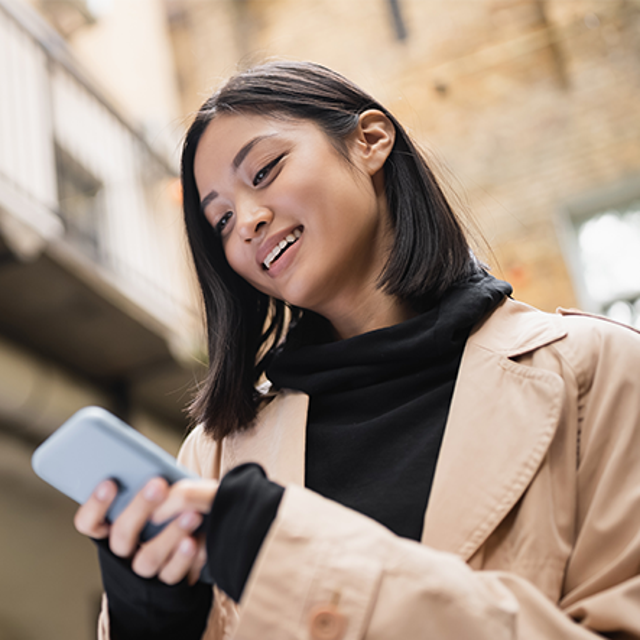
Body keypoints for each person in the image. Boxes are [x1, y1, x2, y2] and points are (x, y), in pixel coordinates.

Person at [74, 61, 640, 640]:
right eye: (218, 219)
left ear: (370, 140)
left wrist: (306, 563)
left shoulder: (597, 370)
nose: (245, 220)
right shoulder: (214, 456)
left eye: (265, 171)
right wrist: (152, 622)